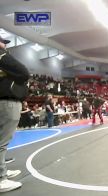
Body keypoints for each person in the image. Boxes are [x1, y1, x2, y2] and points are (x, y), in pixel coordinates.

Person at [0, 36, 29, 192]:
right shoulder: (2, 56)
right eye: (3, 42)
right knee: (2, 142)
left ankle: (2, 170)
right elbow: (24, 72)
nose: (5, 45)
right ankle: (0, 178)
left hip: (3, 101)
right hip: (6, 101)